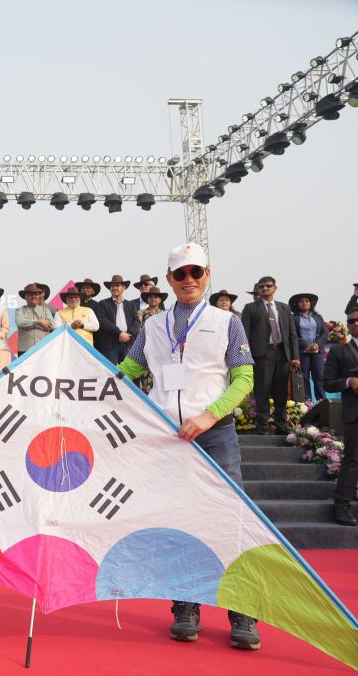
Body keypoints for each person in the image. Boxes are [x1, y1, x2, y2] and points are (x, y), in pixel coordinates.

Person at [116, 241, 259, 651]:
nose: (189, 280)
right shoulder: (153, 326)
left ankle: (243, 609)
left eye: (196, 273)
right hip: (167, 440)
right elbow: (127, 371)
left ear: (207, 276)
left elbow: (244, 380)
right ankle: (186, 605)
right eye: (181, 274)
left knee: (231, 521)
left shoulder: (227, 322)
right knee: (179, 522)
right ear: (169, 280)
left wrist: (209, 416)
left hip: (215, 434)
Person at [241, 276, 300, 435]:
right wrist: (246, 357)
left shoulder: (284, 308)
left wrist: (295, 356)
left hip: (282, 353)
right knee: (262, 391)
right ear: (258, 290)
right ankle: (263, 425)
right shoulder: (251, 308)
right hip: (261, 354)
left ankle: (281, 425)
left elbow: (292, 333)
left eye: (268, 286)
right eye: (262, 287)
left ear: (275, 288)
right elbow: (244, 334)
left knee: (281, 391)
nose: (265, 288)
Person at [323, 308, 358, 525]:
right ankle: (342, 504)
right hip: (355, 413)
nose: (355, 323)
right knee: (353, 460)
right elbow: (327, 383)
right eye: (351, 320)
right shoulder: (340, 352)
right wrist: (348, 382)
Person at [94, 275, 141, 364]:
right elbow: (102, 321)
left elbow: (137, 322)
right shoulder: (103, 303)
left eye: (117, 285)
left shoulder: (131, 305)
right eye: (112, 286)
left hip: (127, 342)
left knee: (127, 373)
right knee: (109, 372)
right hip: (110, 344)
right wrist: (120, 333)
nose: (114, 288)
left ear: (124, 288)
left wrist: (128, 334)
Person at [290, 293, 328, 402]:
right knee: (304, 377)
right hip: (302, 352)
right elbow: (292, 335)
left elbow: (324, 333)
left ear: (310, 303)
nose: (304, 303)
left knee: (319, 376)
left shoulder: (318, 317)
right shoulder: (294, 318)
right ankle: (307, 403)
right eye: (301, 301)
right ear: (297, 304)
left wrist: (316, 344)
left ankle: (322, 401)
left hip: (317, 352)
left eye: (306, 301)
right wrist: (307, 345)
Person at [134, 286, 168, 393]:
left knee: (161, 376)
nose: (153, 299)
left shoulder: (165, 313)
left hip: (162, 348)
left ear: (160, 299)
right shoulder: (141, 313)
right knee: (146, 376)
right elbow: (138, 329)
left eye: (156, 297)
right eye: (151, 297)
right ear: (147, 299)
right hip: (146, 347)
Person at [15, 283, 54, 356]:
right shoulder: (20, 310)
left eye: (36, 294)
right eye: (30, 294)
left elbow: (51, 326)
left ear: (39, 296)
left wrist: (32, 325)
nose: (33, 296)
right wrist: (39, 322)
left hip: (43, 348)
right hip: (25, 349)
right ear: (25, 297)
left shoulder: (46, 310)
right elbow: (20, 322)